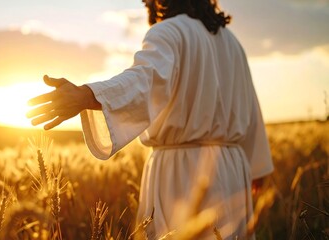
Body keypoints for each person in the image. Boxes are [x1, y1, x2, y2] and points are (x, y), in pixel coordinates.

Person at [27, 0, 274, 239]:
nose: (147, 5)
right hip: (233, 174)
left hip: (182, 175)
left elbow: (145, 80)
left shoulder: (168, 31)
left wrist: (88, 95)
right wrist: (257, 166)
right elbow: (251, 106)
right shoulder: (233, 43)